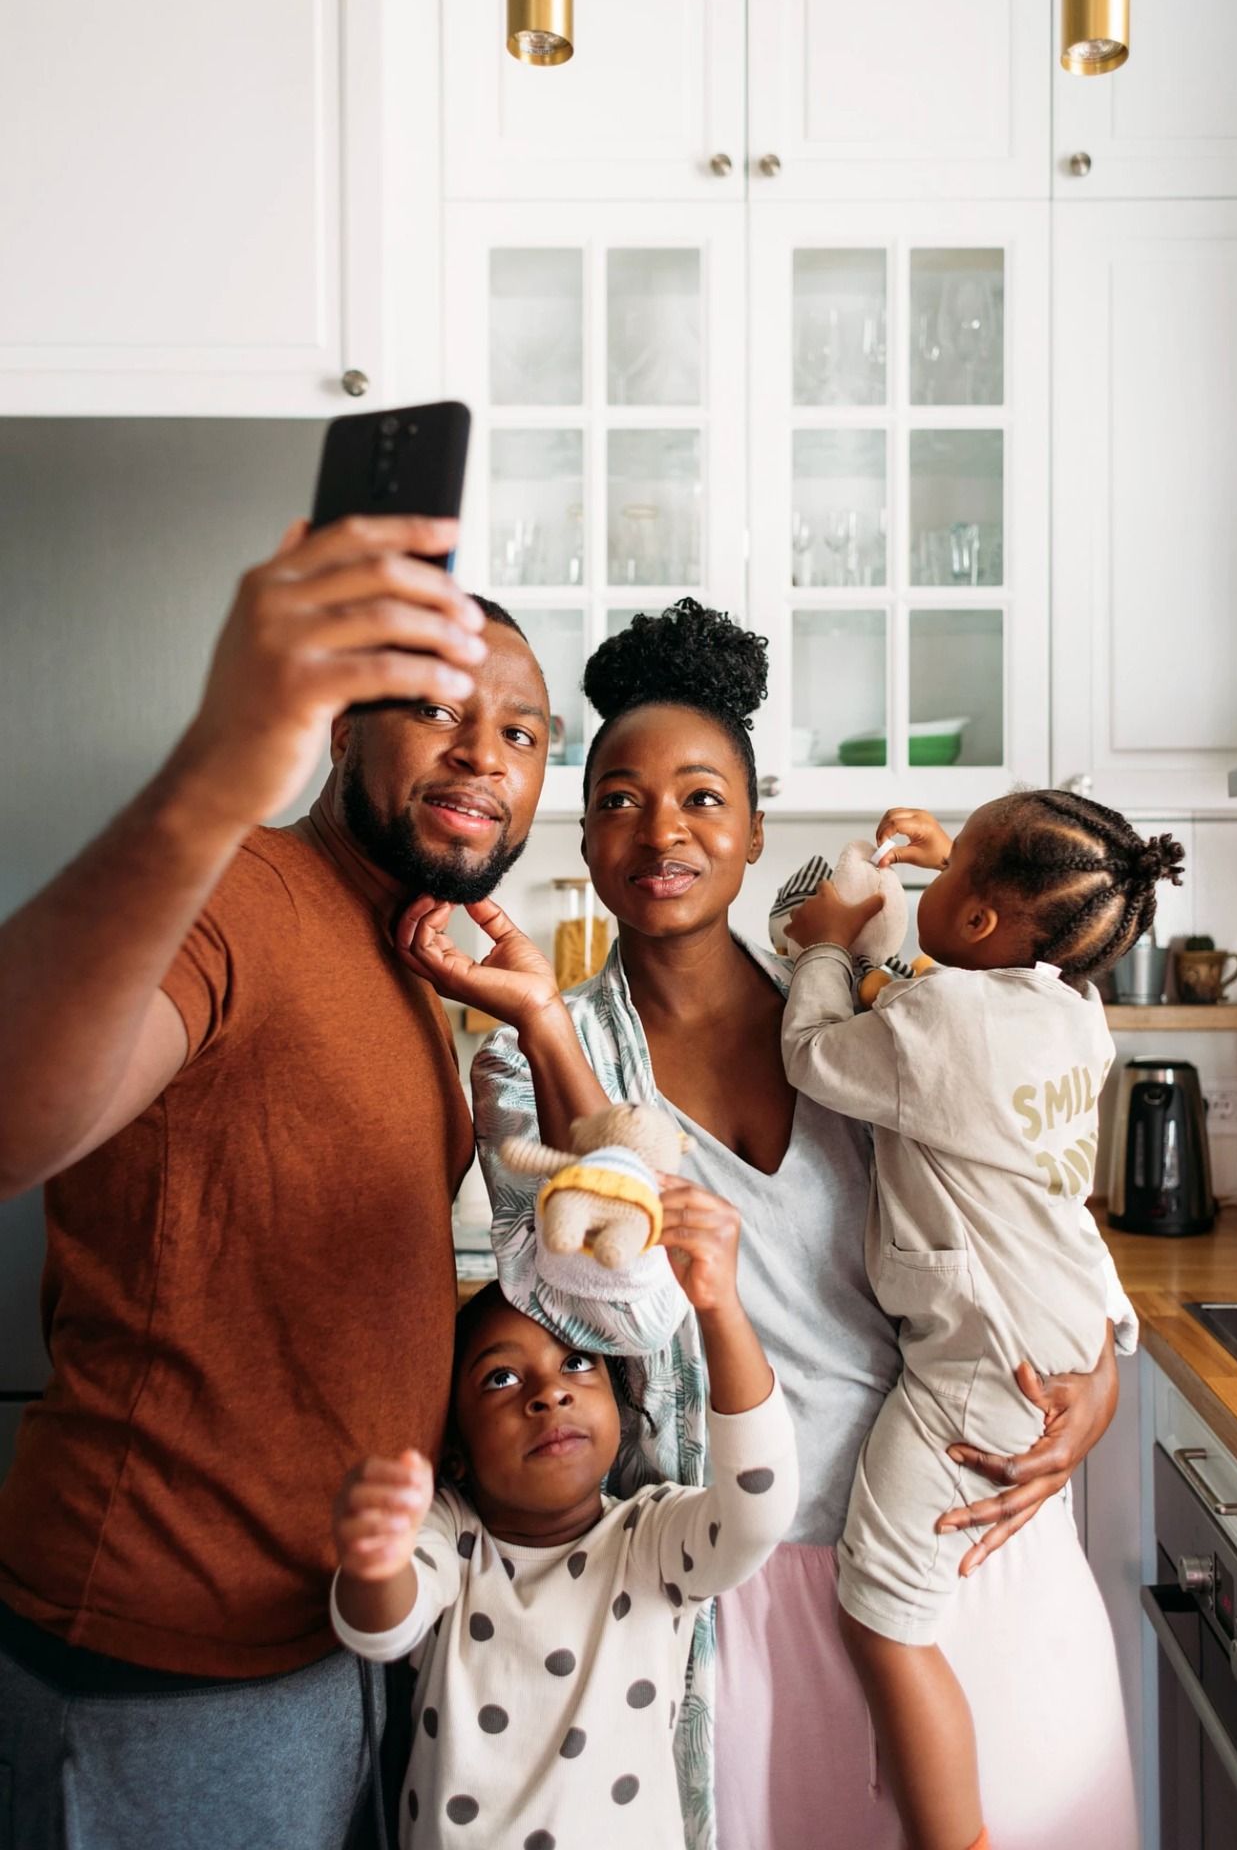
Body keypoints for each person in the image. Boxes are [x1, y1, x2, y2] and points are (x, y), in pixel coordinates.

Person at [393, 599, 1139, 1850]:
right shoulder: (528, 1067)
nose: (661, 829)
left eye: (699, 797)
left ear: (747, 833)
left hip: (963, 1544)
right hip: (725, 1596)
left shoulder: (879, 1012)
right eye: (620, 799)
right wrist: (548, 1030)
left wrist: (1097, 1380)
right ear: (585, 835)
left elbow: (1026, 1200)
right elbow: (599, 1302)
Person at [0, 512, 552, 1850]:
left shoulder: (408, 960)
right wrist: (217, 762)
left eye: (525, 731)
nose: (484, 750)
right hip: (163, 1653)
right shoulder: (239, 891)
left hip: (328, 1628)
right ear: (339, 729)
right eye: (433, 706)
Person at [783, 795, 1184, 1850]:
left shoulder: (940, 1020)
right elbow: (930, 999)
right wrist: (923, 888)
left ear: (974, 923)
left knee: (882, 1608)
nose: (937, 864)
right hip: (1048, 1328)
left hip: (977, 1368)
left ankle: (952, 1840)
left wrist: (826, 946)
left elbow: (821, 1050)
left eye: (954, 861)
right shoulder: (1069, 1013)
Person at [330, 1178, 796, 1847]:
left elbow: (758, 1514)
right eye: (501, 1378)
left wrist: (719, 1309)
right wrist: (373, 1560)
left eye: (577, 1363)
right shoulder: (449, 1534)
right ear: (456, 1451)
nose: (549, 1393)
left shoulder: (649, 1539)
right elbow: (381, 1630)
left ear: (619, 1403)